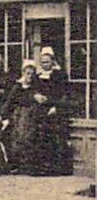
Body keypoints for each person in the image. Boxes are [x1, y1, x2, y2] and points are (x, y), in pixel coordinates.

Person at [26, 46, 74, 176]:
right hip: (40, 111)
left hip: (54, 112)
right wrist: (35, 96)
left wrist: (56, 107)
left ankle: (55, 169)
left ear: (52, 61)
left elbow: (65, 94)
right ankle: (39, 168)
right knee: (39, 138)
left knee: (54, 138)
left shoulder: (60, 75)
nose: (44, 65)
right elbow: (30, 91)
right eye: (42, 62)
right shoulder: (37, 76)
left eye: (47, 62)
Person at [3, 60, 40, 172]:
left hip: (32, 115)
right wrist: (3, 115)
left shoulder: (35, 87)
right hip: (19, 115)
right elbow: (10, 101)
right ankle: (17, 165)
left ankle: (28, 164)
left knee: (30, 138)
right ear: (23, 73)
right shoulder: (17, 86)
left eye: (32, 74)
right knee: (17, 138)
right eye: (27, 73)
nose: (30, 76)